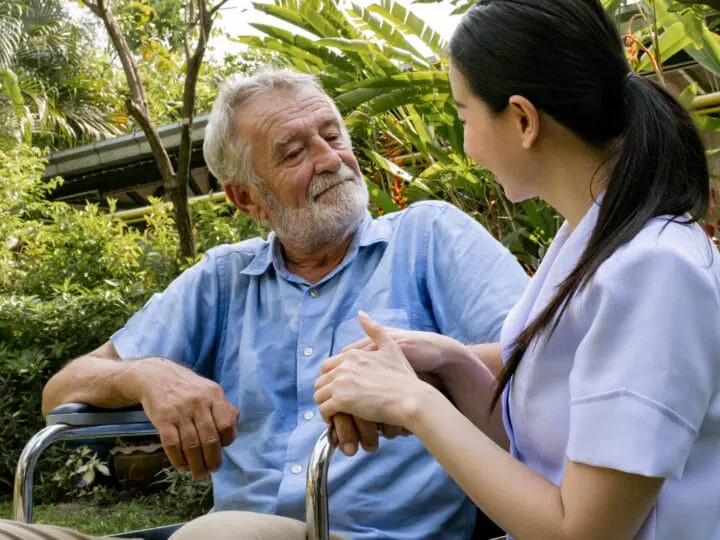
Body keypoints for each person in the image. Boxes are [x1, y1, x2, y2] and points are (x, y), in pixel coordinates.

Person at [0, 69, 528, 540]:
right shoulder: (223, 277)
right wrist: (148, 375)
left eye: (332, 135)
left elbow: (537, 355)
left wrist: (418, 369)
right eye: (294, 152)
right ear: (247, 199)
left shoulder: (428, 236)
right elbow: (60, 392)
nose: (330, 160)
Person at [313, 1, 720, 539]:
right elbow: (534, 447)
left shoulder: (654, 270)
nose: (466, 144)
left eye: (464, 116)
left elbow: (582, 532)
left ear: (524, 120)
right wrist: (451, 361)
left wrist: (413, 404)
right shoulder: (588, 237)